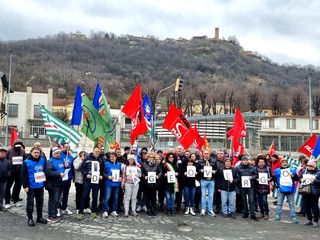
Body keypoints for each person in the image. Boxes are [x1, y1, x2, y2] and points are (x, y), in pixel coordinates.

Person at [21, 146, 47, 226]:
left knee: (40, 202)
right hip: (31, 186)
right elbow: (23, 175)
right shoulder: (26, 162)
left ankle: (39, 217)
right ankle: (30, 218)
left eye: (38, 153)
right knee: (30, 203)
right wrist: (25, 186)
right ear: (31, 152)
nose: (36, 154)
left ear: (40, 153)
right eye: (35, 152)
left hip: (40, 186)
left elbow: (45, 171)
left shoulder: (43, 160)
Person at [78, 146, 105, 218]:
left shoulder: (101, 159)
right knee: (84, 195)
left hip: (96, 181)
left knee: (95, 196)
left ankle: (94, 211)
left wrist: (101, 175)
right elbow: (81, 168)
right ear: (93, 151)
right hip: (87, 180)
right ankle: (80, 211)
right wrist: (86, 175)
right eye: (96, 151)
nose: (97, 153)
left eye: (98, 152)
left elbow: (102, 170)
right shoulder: (87, 158)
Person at [273, 158, 299, 223]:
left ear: (288, 163)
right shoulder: (277, 171)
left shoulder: (292, 170)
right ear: (281, 163)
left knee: (291, 204)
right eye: (283, 162)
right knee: (279, 203)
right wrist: (277, 186)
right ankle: (278, 215)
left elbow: (297, 179)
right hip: (281, 189)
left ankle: (293, 217)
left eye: (286, 162)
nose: (284, 163)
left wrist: (293, 176)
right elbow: (274, 179)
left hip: (290, 189)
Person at [45, 147, 67, 222]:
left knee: (58, 200)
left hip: (61, 183)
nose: (58, 154)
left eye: (59, 153)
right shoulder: (50, 161)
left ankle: (55, 213)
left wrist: (65, 167)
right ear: (53, 154)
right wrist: (58, 174)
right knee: (53, 200)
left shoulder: (60, 161)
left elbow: (61, 169)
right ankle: (51, 215)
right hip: (54, 184)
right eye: (56, 153)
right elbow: (48, 172)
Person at [235, 156, 259, 221]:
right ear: (242, 161)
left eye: (246, 160)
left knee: (251, 200)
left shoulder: (252, 167)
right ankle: (245, 213)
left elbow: (256, 175)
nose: (245, 161)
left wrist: (252, 177)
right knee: (244, 200)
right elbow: (237, 176)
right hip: (242, 186)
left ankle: (252, 214)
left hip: (250, 186)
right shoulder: (238, 168)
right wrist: (237, 182)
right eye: (244, 160)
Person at [5, 140, 27, 209]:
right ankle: (7, 202)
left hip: (19, 173)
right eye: (17, 145)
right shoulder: (9, 151)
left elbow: (25, 160)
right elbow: (5, 160)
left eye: (19, 146)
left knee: (17, 187)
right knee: (8, 187)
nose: (18, 147)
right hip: (10, 172)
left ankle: (16, 200)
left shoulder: (23, 152)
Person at [299, 160, 320, 228]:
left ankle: (316, 221)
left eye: (310, 166)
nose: (308, 167)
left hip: (315, 192)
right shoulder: (304, 171)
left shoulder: (318, 172)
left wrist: (315, 181)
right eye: (308, 166)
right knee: (307, 206)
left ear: (314, 166)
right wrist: (301, 180)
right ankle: (309, 220)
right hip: (306, 191)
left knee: (314, 206)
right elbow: (300, 178)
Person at [102, 152, 122, 218]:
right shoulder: (106, 164)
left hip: (116, 184)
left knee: (115, 198)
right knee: (107, 197)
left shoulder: (119, 165)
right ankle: (105, 211)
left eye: (113, 156)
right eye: (110, 156)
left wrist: (120, 178)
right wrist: (108, 177)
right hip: (108, 184)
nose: (112, 158)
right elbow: (103, 173)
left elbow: (121, 173)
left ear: (116, 157)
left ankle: (114, 210)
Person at [198, 149, 217, 217]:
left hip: (211, 180)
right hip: (203, 180)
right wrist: (201, 171)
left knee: (211, 196)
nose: (206, 155)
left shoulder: (214, 161)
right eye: (205, 154)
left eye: (207, 154)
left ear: (209, 154)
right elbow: (197, 170)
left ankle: (210, 209)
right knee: (203, 195)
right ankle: (203, 209)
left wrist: (215, 171)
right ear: (203, 154)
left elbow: (217, 169)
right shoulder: (200, 161)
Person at [142, 152, 162, 216]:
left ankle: (153, 208)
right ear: (147, 158)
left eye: (152, 157)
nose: (151, 158)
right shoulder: (144, 164)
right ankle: (148, 208)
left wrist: (158, 176)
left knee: (153, 197)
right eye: (149, 157)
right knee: (147, 197)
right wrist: (144, 176)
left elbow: (161, 171)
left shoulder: (157, 164)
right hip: (146, 183)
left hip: (154, 184)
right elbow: (141, 172)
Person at [73, 149, 91, 214]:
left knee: (86, 194)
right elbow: (76, 167)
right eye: (81, 153)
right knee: (79, 194)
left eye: (84, 153)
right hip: (78, 180)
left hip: (86, 180)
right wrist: (81, 160)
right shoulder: (76, 160)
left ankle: (86, 206)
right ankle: (78, 207)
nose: (83, 154)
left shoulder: (87, 160)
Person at [254, 155, 271, 220]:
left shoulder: (267, 168)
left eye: (262, 162)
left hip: (265, 187)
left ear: (264, 162)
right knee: (260, 201)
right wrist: (256, 179)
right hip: (258, 187)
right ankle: (262, 213)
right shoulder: (255, 168)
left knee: (264, 201)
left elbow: (271, 177)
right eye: (260, 162)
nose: (261, 163)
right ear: (258, 162)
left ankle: (266, 213)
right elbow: (253, 176)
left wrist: (269, 179)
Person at [59, 143, 74, 215]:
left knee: (66, 194)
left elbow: (72, 167)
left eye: (68, 147)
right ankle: (58, 208)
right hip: (61, 177)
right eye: (65, 147)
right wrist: (64, 166)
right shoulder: (59, 155)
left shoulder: (71, 156)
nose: (67, 149)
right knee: (59, 194)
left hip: (68, 177)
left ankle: (64, 207)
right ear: (63, 147)